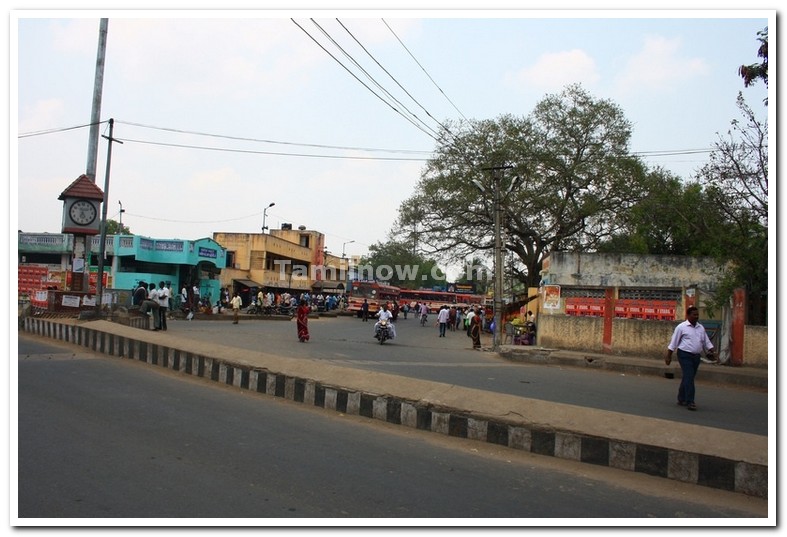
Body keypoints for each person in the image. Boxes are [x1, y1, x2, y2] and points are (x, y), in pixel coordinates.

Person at [665, 306, 716, 411]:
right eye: (694, 314)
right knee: (689, 376)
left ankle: (681, 398)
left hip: (696, 356)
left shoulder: (700, 327)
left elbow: (706, 341)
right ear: (688, 315)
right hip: (684, 355)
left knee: (689, 377)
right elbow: (673, 342)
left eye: (697, 315)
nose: (696, 316)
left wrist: (712, 351)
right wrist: (668, 356)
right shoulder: (681, 327)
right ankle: (690, 401)